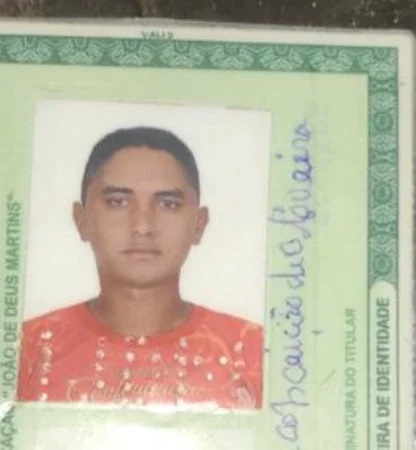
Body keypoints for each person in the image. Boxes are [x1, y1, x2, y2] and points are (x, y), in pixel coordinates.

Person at [16, 126, 263, 409]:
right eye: (117, 202)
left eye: (168, 204)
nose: (143, 226)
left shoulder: (255, 354)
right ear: (81, 219)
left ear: (199, 224)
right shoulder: (24, 353)